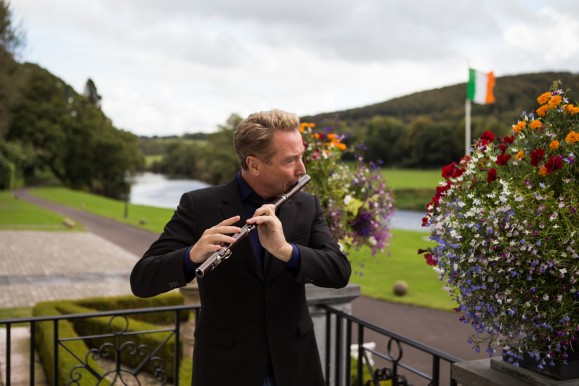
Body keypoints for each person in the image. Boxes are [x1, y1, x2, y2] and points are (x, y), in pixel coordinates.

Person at [130, 109, 351, 386]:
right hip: (226, 370)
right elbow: (142, 280)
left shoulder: (307, 205)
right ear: (254, 164)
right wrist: (193, 255)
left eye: (301, 156)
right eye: (290, 160)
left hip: (295, 367)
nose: (302, 169)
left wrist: (286, 251)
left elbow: (339, 271)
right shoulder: (200, 206)